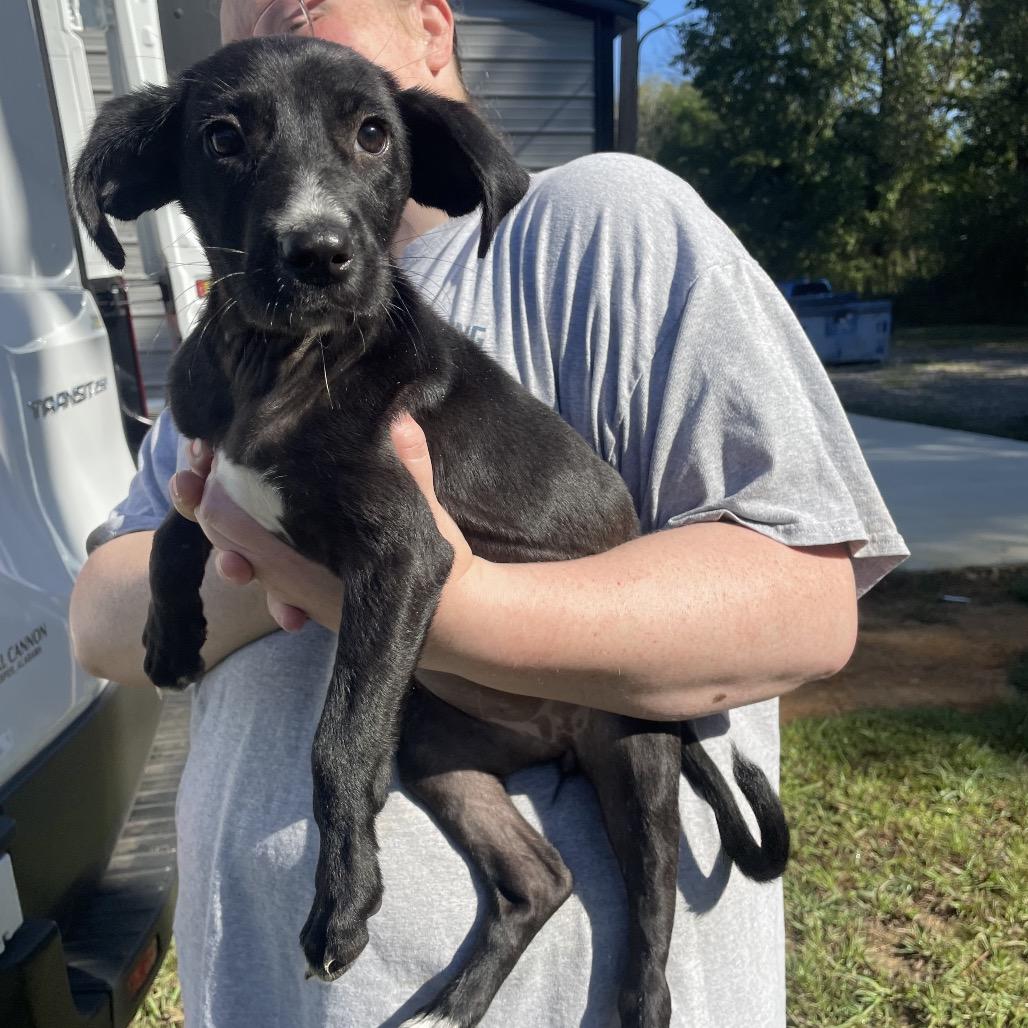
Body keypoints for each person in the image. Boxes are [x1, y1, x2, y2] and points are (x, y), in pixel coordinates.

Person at [70, 0, 908, 1024]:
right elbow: (101, 623)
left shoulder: (599, 223)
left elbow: (805, 604)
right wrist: (265, 547)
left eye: (306, 16)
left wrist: (424, 595)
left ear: (432, 29)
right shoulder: (227, 353)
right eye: (230, 125)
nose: (278, 47)